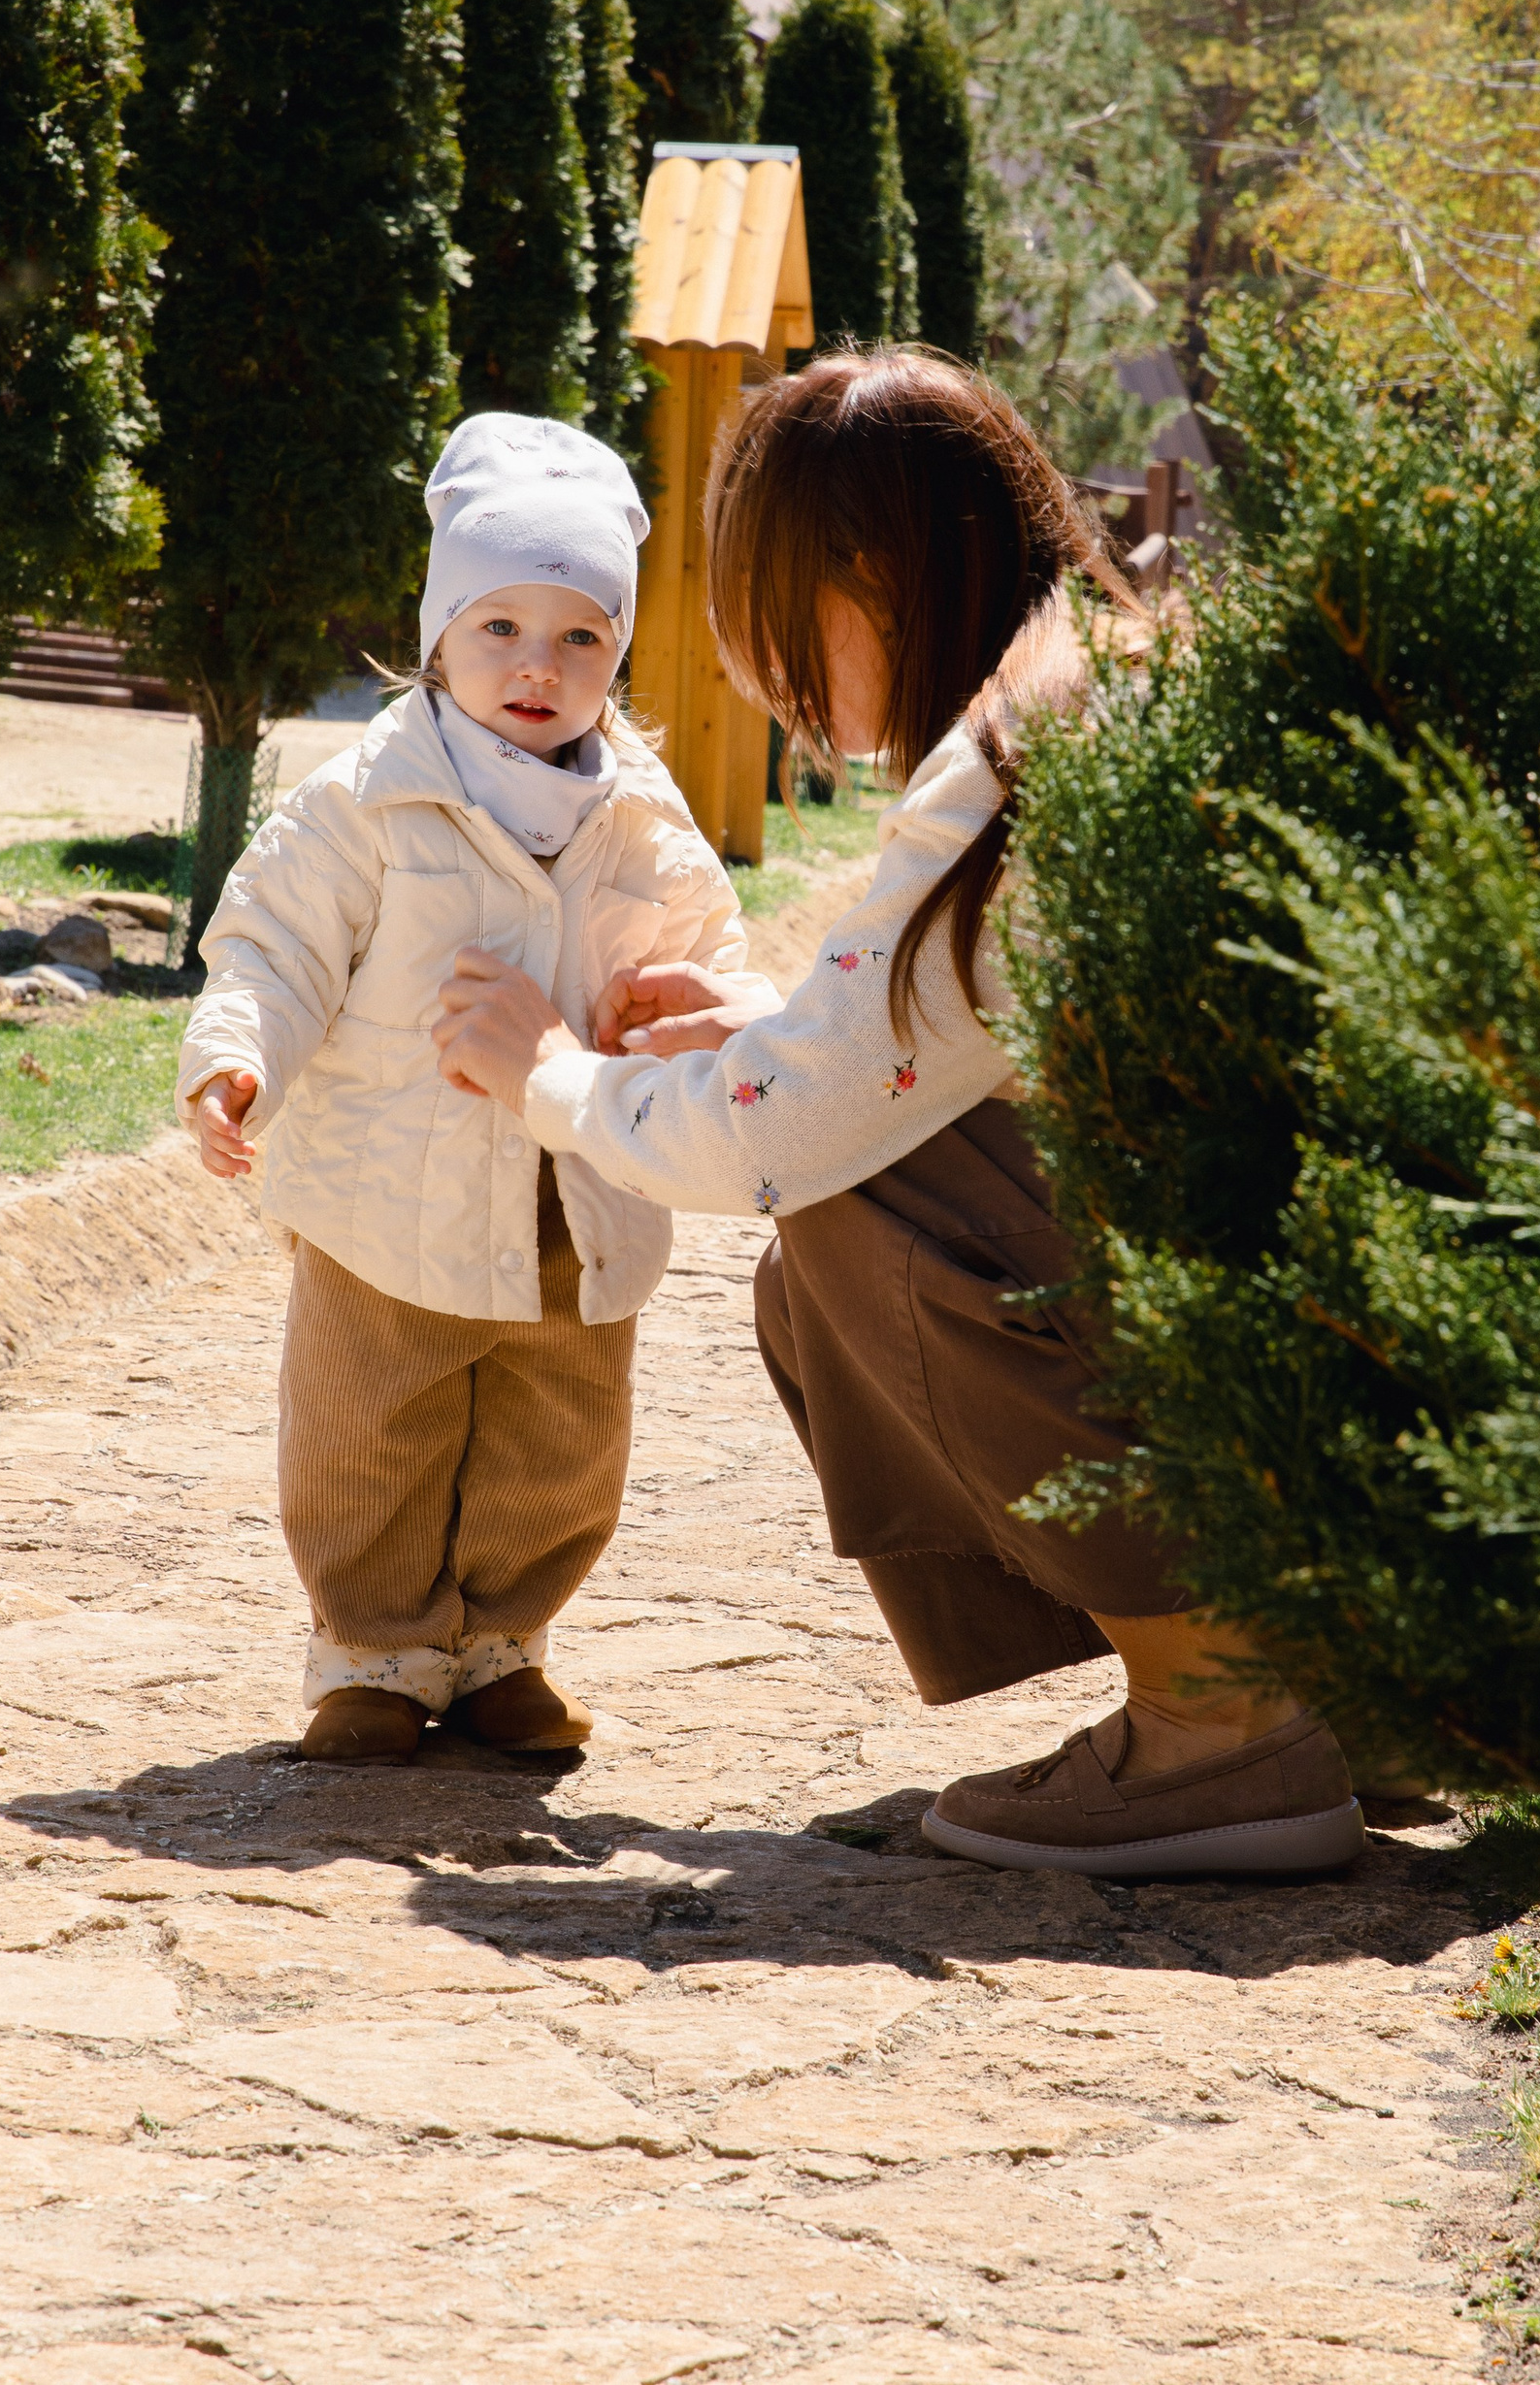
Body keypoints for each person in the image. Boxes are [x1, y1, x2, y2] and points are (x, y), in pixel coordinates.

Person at [429, 353, 1370, 1879]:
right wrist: (780, 1033)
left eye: (782, 617)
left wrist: (554, 1075)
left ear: (872, 576)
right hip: (1345, 1365)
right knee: (861, 1175)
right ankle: (1313, 1671)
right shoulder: (1110, 667)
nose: (770, 679)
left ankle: (1222, 1718)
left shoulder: (1015, 762)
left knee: (851, 1216)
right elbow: (972, 1040)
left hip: (1276, 1349)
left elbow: (782, 1138)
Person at [176, 414, 755, 1767]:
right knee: (370, 1430)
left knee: (558, 1438)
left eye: (579, 639)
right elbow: (274, 940)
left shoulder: (647, 819)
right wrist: (234, 1052)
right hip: (390, 1200)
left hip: (579, 1201)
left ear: (616, 652)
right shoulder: (367, 800)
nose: (537, 668)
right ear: (438, 636)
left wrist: (698, 1034)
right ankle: (375, 1653)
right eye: (500, 628)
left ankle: (504, 1643)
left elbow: (708, 962)